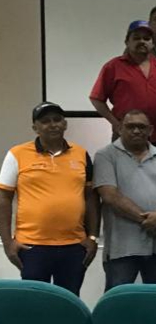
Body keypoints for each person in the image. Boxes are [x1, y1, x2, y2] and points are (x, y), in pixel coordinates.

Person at [0, 102, 99, 295]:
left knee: (70, 301)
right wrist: (7, 242)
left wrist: (93, 237)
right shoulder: (17, 154)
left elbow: (91, 198)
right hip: (32, 246)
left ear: (65, 124)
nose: (53, 125)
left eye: (57, 120)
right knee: (36, 302)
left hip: (74, 246)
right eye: (45, 121)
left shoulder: (81, 154)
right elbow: (4, 199)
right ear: (35, 128)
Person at [94, 110, 156, 288]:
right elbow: (110, 195)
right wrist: (149, 220)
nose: (136, 131)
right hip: (122, 247)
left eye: (141, 127)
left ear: (150, 130)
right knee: (118, 303)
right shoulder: (105, 155)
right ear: (120, 128)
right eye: (130, 126)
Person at [91, 20, 156, 141]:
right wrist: (115, 123)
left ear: (153, 43)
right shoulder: (113, 66)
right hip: (125, 135)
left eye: (146, 38)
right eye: (136, 38)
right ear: (127, 42)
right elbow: (96, 99)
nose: (142, 41)